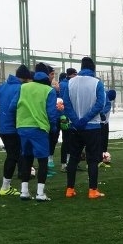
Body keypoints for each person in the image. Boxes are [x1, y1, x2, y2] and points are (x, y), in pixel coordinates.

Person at [61, 56, 107, 199]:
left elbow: (66, 103)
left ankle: (70, 189)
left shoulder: (71, 82)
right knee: (92, 159)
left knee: (73, 158)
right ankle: (92, 190)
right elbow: (100, 104)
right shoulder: (97, 83)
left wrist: (76, 120)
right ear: (93, 69)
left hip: (75, 127)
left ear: (81, 68)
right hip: (92, 127)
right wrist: (86, 119)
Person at [13, 70, 59, 201]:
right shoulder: (49, 90)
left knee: (27, 159)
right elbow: (51, 112)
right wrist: (53, 127)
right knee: (43, 160)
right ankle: (40, 193)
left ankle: (24, 191)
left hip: (22, 126)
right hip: (39, 128)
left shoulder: (23, 87)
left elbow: (13, 106)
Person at [0, 64, 32, 196]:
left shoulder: (2, 87)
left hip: (3, 127)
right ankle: (7, 187)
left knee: (14, 154)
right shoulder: (22, 88)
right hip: (16, 127)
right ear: (26, 78)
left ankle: (15, 182)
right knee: (16, 155)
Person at [59, 67, 78, 171]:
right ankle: (65, 163)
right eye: (75, 74)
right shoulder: (66, 85)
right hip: (66, 116)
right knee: (67, 140)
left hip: (66, 115)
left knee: (69, 140)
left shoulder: (63, 84)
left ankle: (68, 162)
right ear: (71, 75)